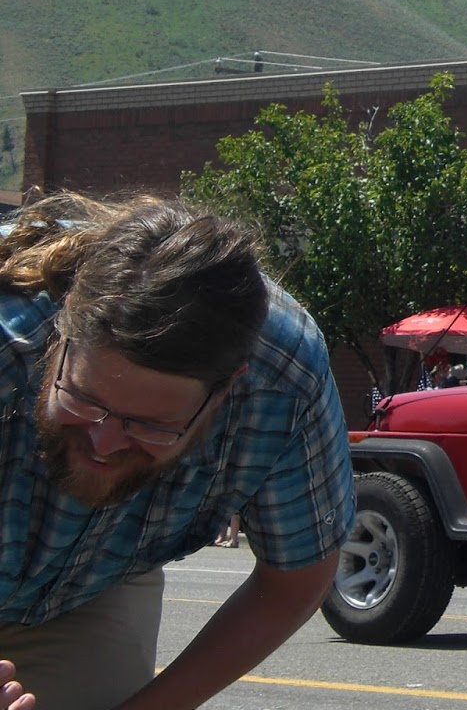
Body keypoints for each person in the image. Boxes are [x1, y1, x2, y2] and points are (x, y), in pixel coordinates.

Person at [0, 192, 355, 710]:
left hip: (89, 583)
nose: (103, 443)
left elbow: (294, 580)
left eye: (149, 425)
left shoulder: (284, 378)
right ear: (62, 334)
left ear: (228, 388)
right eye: (83, 398)